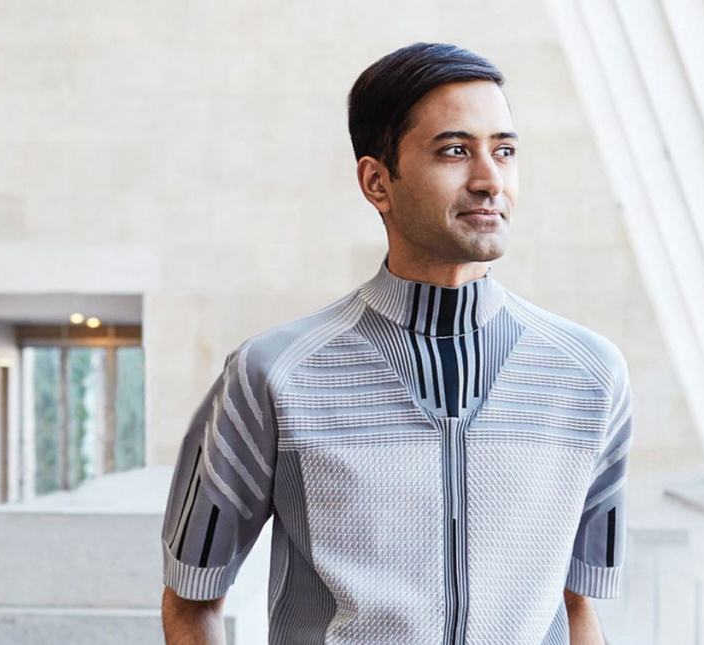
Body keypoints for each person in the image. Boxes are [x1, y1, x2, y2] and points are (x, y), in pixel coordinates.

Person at [160, 42, 632, 645]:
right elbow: (191, 600)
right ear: (377, 182)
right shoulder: (272, 374)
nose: (490, 180)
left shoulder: (591, 376)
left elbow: (578, 608)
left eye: (505, 151)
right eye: (455, 151)